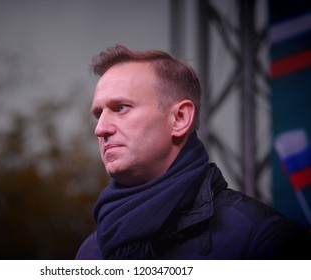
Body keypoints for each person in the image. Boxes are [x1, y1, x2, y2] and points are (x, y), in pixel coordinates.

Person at [75, 44, 311, 260]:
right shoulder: (91, 252)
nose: (100, 129)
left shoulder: (261, 238)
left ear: (180, 118)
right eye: (98, 114)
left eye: (120, 108)